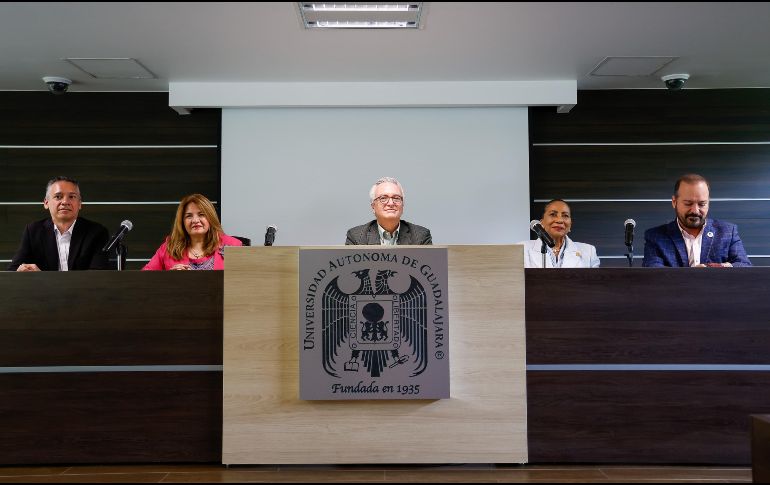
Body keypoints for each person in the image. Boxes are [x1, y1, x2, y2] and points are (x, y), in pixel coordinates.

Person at [643, 174, 751, 267]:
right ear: (674, 202)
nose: (695, 210)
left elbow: (744, 266)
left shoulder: (727, 231)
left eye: (702, 204)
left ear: (708, 203)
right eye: (688, 203)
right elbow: (654, 274)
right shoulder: (655, 237)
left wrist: (709, 268)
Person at [8, 176, 109, 271]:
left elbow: (97, 276)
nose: (65, 201)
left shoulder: (97, 233)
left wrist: (42, 277)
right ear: (46, 203)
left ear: (80, 203)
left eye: (72, 197)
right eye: (58, 196)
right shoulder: (33, 231)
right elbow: (12, 271)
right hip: (43, 290)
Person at [142, 193, 242, 270]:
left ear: (210, 218)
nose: (195, 220)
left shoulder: (232, 245)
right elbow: (145, 278)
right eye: (189, 216)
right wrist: (170, 278)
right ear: (182, 221)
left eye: (201, 214)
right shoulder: (169, 247)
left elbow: (244, 282)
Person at [345, 177, 432, 245]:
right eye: (383, 198)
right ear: (373, 206)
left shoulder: (421, 236)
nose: (391, 203)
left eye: (396, 198)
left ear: (403, 205)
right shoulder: (356, 237)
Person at [522, 199, 600, 268]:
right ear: (542, 222)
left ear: (570, 224)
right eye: (553, 214)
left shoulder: (588, 252)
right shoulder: (523, 249)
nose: (559, 220)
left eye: (565, 215)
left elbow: (595, 283)